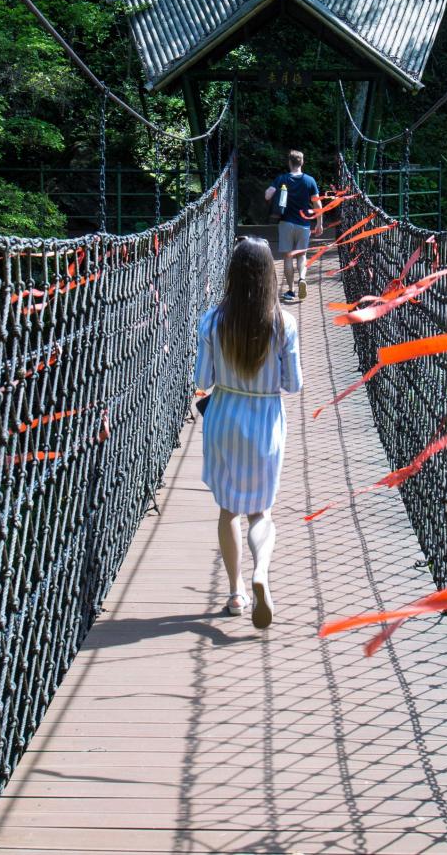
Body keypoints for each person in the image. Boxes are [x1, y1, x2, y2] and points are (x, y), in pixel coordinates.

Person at [192, 237, 301, 628]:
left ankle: (236, 592)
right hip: (266, 422)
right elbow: (294, 385)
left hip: (224, 418)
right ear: (270, 273)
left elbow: (203, 379)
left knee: (228, 510)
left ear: (232, 275)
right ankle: (261, 574)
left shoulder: (212, 321)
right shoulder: (283, 324)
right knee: (261, 511)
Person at [262, 150, 319, 303]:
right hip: (304, 224)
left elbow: (268, 195)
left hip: (286, 222)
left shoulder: (282, 179)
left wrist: (270, 192)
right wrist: (319, 223)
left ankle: (291, 291)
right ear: (302, 163)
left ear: (289, 162)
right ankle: (302, 278)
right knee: (301, 255)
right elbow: (317, 203)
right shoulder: (310, 181)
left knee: (288, 256)